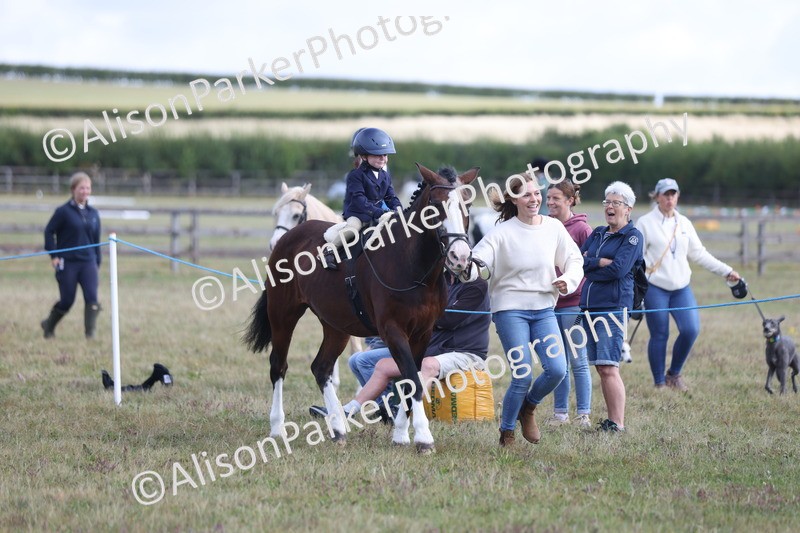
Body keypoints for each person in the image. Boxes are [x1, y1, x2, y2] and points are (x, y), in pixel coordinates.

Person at [470, 171, 584, 447]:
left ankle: (528, 407)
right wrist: (467, 267)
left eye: (537, 194)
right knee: (522, 374)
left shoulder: (553, 228)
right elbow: (476, 262)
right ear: (514, 198)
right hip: (510, 311)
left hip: (544, 309)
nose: (534, 199)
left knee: (557, 369)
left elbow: (574, 260)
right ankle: (507, 432)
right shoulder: (500, 233)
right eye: (527, 195)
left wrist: (567, 280)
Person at [309, 272, 491, 421]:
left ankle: (403, 410)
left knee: (427, 365)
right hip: (430, 349)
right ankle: (371, 409)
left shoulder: (476, 285)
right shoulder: (440, 281)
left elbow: (449, 320)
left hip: (464, 352)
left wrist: (406, 317)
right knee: (361, 361)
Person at [635, 178, 741, 391]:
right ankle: (659, 383)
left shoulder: (684, 223)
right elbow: (636, 259)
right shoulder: (645, 223)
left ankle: (673, 375)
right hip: (655, 287)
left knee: (691, 329)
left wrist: (726, 271)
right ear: (657, 196)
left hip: (681, 287)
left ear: (678, 196)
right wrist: (636, 291)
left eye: (673, 194)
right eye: (665, 194)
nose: (669, 198)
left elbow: (699, 254)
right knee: (660, 334)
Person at [580, 181, 644, 432]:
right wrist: (599, 263)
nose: (610, 207)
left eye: (616, 203)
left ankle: (617, 423)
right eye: (607, 202)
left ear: (628, 209)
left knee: (609, 366)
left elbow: (618, 270)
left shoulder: (632, 236)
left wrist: (594, 264)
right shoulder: (596, 233)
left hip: (613, 308)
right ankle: (611, 421)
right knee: (600, 366)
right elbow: (579, 263)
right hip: (589, 307)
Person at [545, 180, 593, 427]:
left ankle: (583, 413)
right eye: (549, 198)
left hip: (574, 305)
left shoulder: (582, 230)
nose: (550, 202)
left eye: (556, 198)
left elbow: (591, 265)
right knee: (558, 362)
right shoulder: (545, 227)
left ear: (570, 200)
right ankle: (560, 413)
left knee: (578, 360)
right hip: (550, 306)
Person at [322, 127, 402, 270]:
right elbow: (359, 200)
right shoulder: (356, 175)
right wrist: (378, 212)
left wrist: (398, 208)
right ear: (364, 156)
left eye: (385, 155)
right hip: (359, 214)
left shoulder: (385, 176)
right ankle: (329, 250)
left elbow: (391, 196)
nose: (382, 158)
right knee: (354, 228)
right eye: (377, 155)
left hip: (378, 213)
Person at [40, 172, 102, 339]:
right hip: (68, 262)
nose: (85, 191)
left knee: (92, 298)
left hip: (88, 262)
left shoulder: (94, 214)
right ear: (73, 189)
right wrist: (54, 255)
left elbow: (96, 240)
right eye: (81, 188)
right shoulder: (63, 212)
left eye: (88, 188)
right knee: (67, 300)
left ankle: (90, 334)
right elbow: (49, 231)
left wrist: (97, 262)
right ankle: (49, 325)